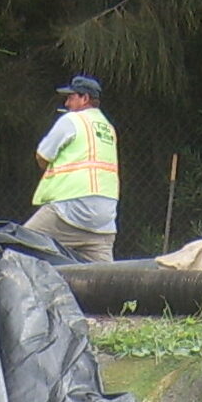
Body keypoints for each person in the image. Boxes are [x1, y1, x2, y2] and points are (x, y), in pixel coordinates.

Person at [25, 75, 119, 263]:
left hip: (71, 210)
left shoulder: (72, 120)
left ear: (85, 99)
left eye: (71, 97)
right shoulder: (108, 128)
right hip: (104, 220)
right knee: (104, 280)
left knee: (19, 246)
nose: (67, 103)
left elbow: (42, 156)